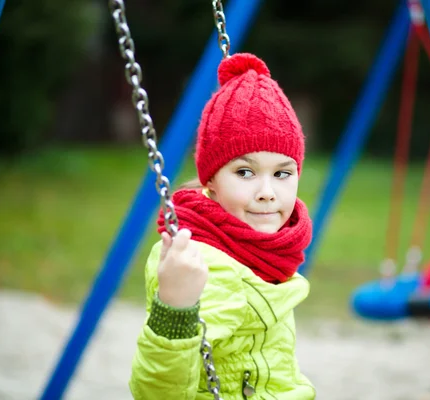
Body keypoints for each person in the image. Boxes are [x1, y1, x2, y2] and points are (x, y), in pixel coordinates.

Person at [129, 53, 316, 399]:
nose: (266, 193)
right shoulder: (201, 261)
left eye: (282, 173)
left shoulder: (270, 251)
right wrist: (175, 307)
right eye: (245, 172)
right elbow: (156, 393)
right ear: (211, 180)